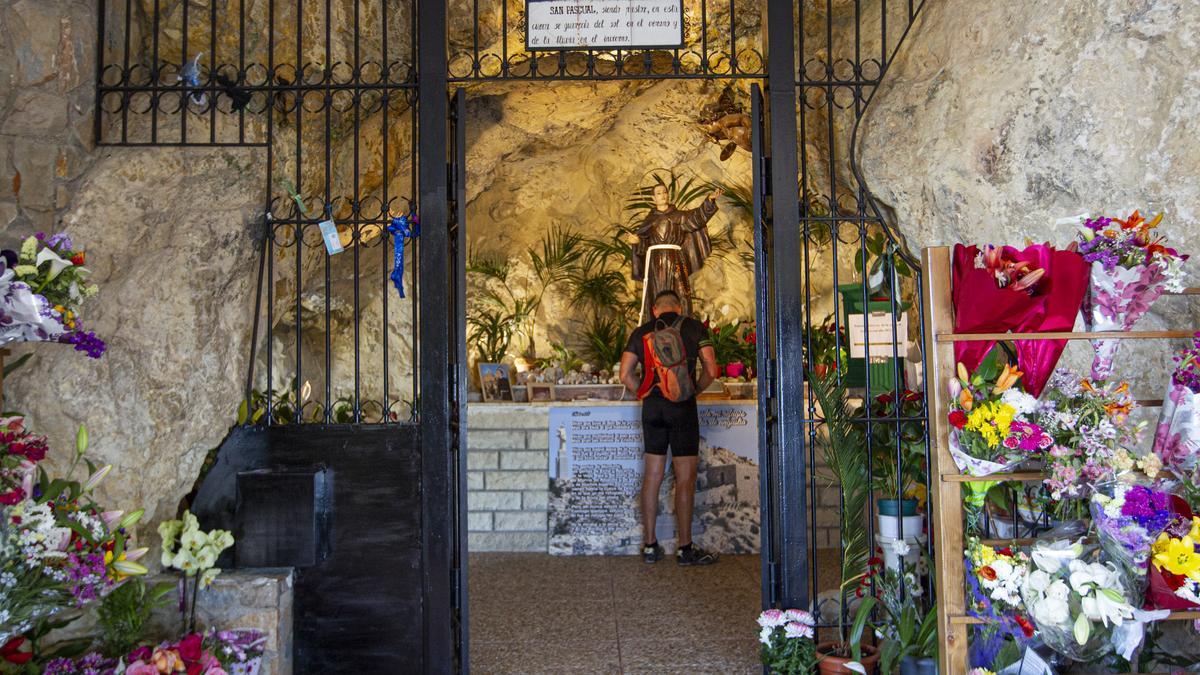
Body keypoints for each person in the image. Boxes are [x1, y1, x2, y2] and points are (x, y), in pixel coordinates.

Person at [619, 290, 721, 566]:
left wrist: (644, 393)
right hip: (682, 408)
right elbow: (712, 369)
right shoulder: (693, 327)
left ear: (654, 309)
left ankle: (650, 546)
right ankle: (685, 549)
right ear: (679, 307)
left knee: (652, 476)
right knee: (684, 480)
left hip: (653, 408)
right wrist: (693, 390)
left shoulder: (641, 332)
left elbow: (624, 373)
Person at [631, 184, 724, 320]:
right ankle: (657, 327)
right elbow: (643, 242)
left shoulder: (679, 216)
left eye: (664, 192)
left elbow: (697, 218)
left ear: (668, 195)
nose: (662, 195)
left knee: (681, 292)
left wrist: (709, 201)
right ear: (653, 198)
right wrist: (636, 241)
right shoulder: (649, 220)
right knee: (657, 292)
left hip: (677, 260)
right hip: (656, 265)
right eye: (658, 193)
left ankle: (683, 325)